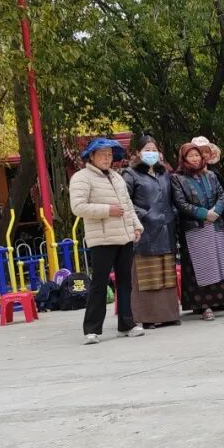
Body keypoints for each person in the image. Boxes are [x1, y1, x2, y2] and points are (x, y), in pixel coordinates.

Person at [69, 137, 144, 344]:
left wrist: (136, 226)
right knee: (99, 284)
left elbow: (127, 205)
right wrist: (107, 210)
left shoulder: (117, 177)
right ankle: (92, 329)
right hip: (101, 239)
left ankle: (126, 324)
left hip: (124, 237)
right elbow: (78, 207)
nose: (106, 158)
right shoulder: (81, 177)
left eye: (109, 155)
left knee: (125, 282)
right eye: (102, 154)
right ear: (91, 156)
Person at [171, 143, 224, 319]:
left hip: (216, 226)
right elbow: (180, 203)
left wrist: (216, 212)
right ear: (183, 159)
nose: (195, 159)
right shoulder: (177, 178)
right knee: (203, 268)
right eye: (190, 156)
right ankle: (205, 307)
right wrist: (203, 214)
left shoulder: (210, 175)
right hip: (195, 229)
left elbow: (222, 195)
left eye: (197, 155)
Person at [122, 136, 180, 328]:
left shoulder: (164, 173)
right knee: (147, 275)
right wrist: (145, 215)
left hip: (166, 228)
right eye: (147, 149)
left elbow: (172, 198)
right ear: (138, 153)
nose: (151, 153)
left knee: (166, 273)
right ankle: (147, 317)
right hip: (144, 230)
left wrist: (172, 214)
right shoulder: (130, 174)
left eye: (154, 149)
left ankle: (169, 314)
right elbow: (125, 201)